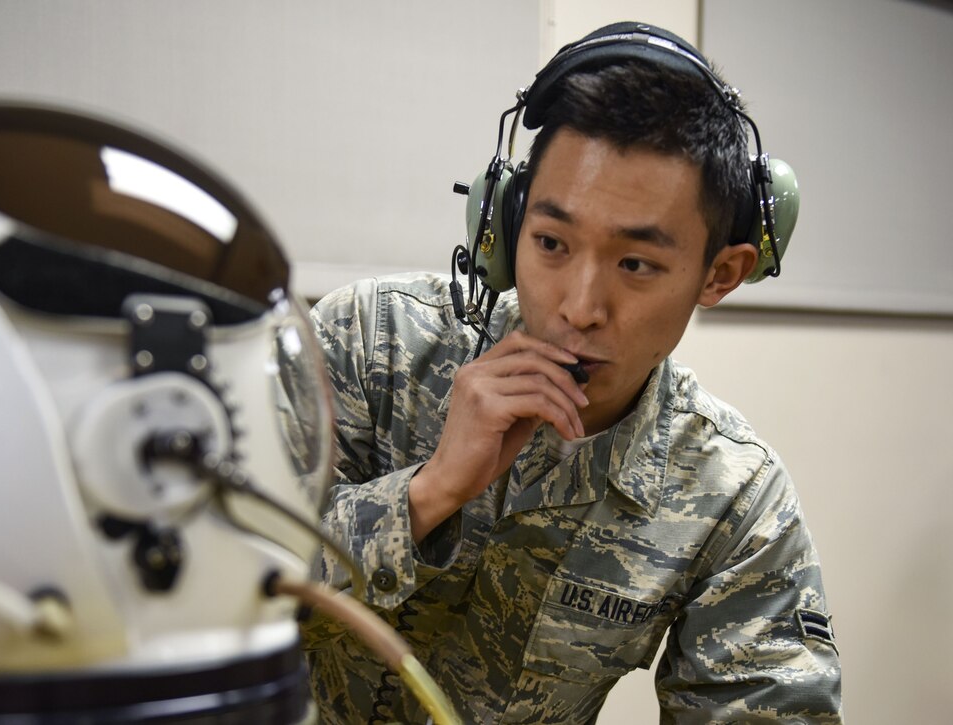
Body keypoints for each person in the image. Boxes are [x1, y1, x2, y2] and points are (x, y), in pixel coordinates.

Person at [298, 21, 842, 724]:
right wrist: (427, 494)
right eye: (551, 242)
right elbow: (217, 585)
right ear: (503, 224)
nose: (579, 308)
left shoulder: (732, 497)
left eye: (636, 264)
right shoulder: (371, 343)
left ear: (721, 273)